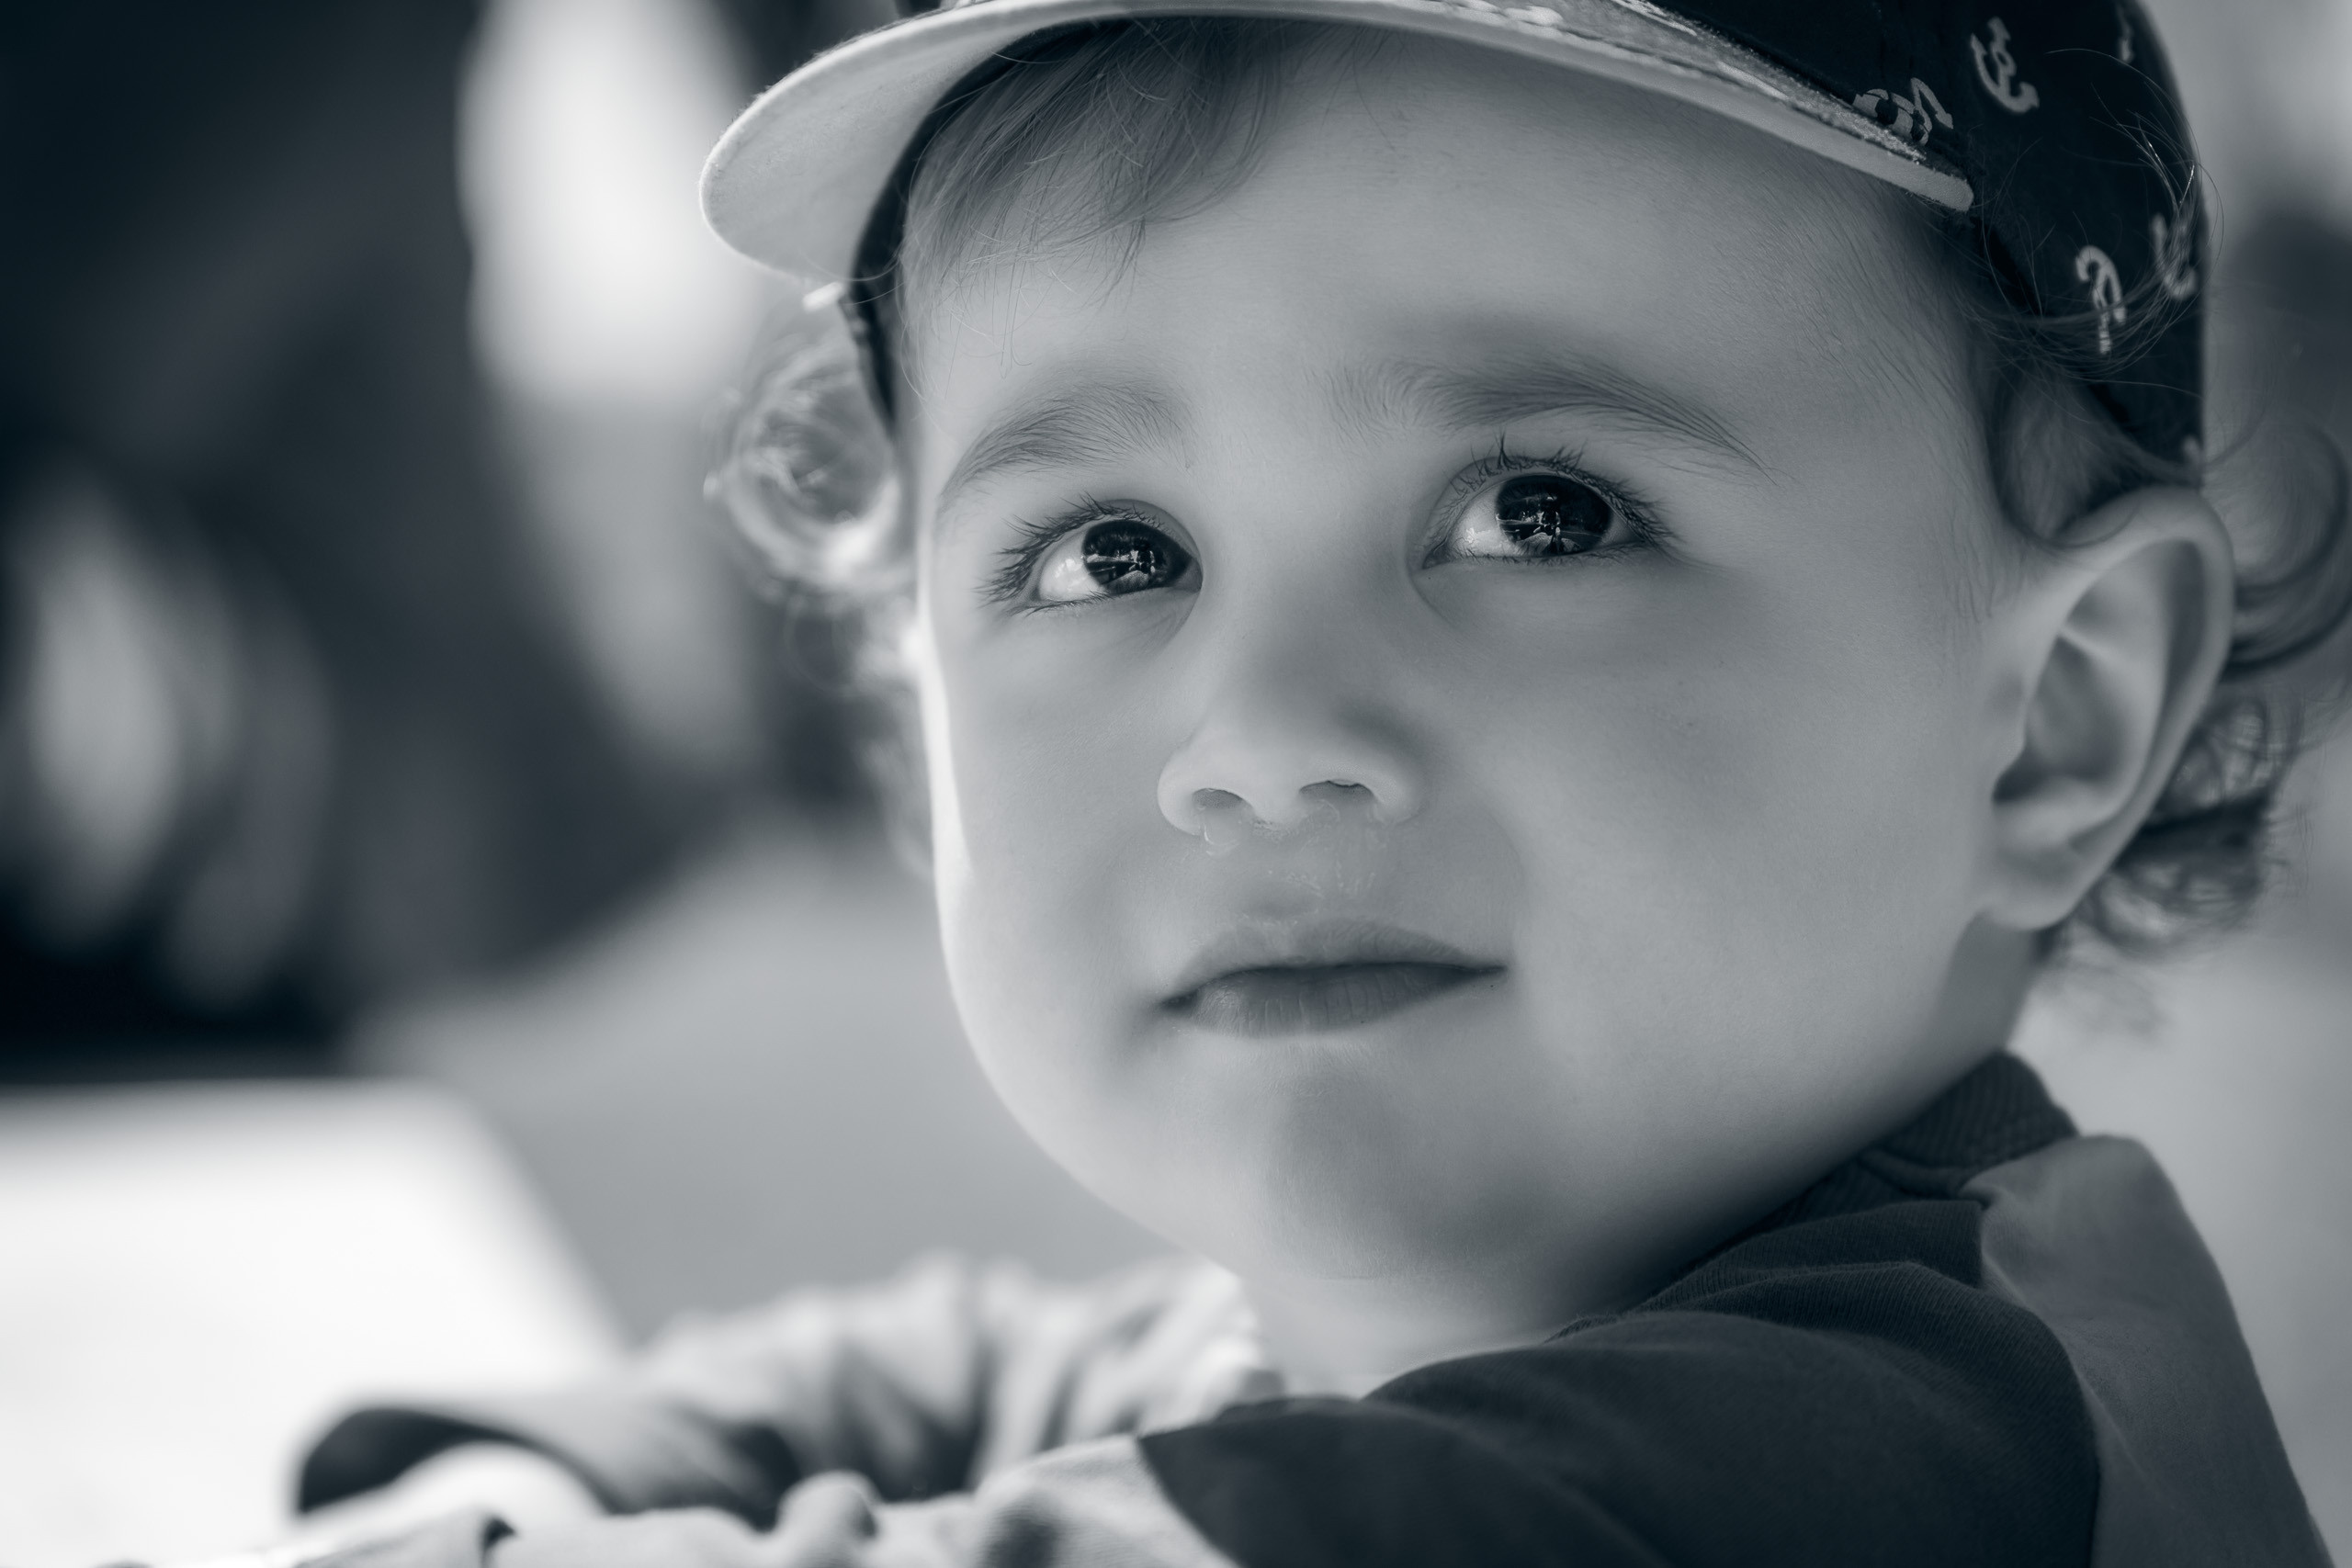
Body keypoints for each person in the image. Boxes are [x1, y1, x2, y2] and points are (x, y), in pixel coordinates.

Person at [282, 2, 2350, 1563]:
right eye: (1111, 554)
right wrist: (505, 1474)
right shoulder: (1335, 1359)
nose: (1257, 733)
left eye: (1541, 514)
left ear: (2056, 708)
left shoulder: (1895, 1454)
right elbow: (925, 1367)